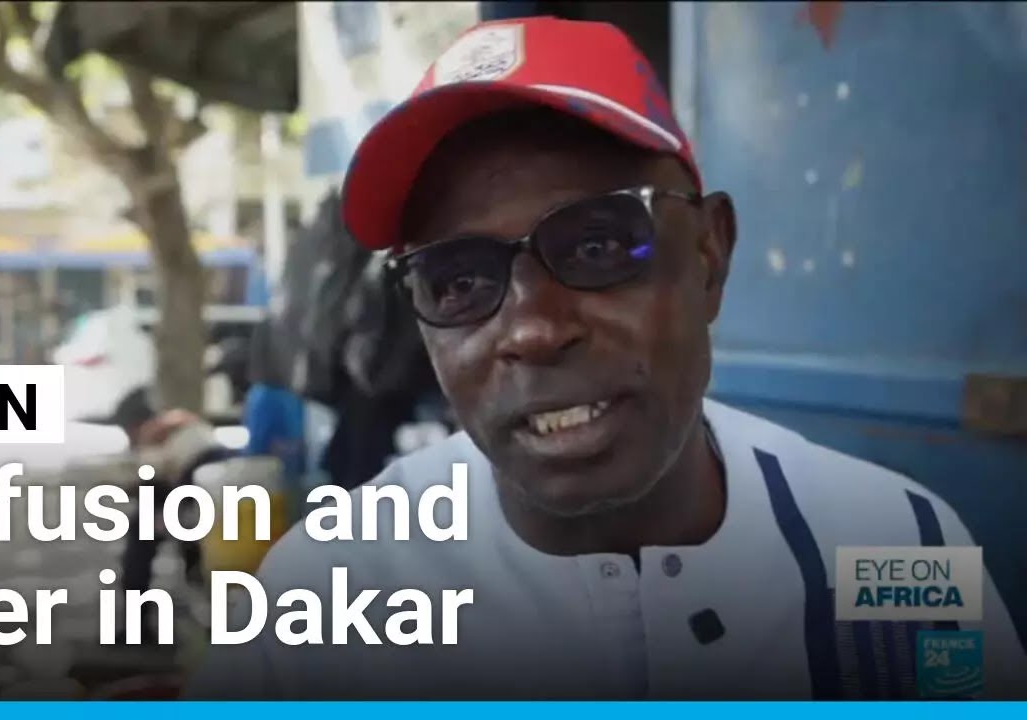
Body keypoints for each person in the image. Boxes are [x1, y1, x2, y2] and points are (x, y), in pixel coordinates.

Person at [184, 17, 1026, 700]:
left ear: (709, 256)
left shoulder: (895, 546)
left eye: (597, 245)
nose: (533, 330)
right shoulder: (325, 595)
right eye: (459, 280)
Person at [107, 387, 231, 642]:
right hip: (220, 493)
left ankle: (136, 626)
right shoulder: (185, 422)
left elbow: (152, 479)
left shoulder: (151, 435)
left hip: (196, 496)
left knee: (141, 535)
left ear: (133, 425)